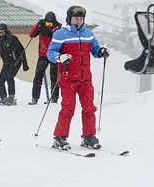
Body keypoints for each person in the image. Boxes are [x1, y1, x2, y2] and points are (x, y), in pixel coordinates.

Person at [47, 5, 109, 150]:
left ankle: (88, 136)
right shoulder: (60, 34)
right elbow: (51, 53)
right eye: (76, 18)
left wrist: (101, 52)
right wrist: (60, 57)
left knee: (89, 108)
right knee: (68, 108)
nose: (78, 21)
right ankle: (60, 137)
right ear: (69, 19)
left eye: (81, 19)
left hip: (85, 78)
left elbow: (95, 49)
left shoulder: (88, 33)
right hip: (68, 77)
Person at [0, 23, 29, 105]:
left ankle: (11, 97)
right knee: (1, 80)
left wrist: (25, 64)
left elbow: (22, 52)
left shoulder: (13, 39)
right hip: (6, 63)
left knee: (9, 77)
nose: (1, 34)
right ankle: (3, 98)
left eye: (2, 32)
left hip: (15, 62)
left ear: (6, 31)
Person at [28, 12, 62, 105]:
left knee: (54, 78)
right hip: (43, 56)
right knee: (38, 77)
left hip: (54, 56)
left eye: (50, 24)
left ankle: (54, 99)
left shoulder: (58, 28)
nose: (49, 25)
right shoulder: (42, 26)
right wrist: (38, 24)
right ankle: (34, 98)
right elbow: (31, 35)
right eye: (47, 23)